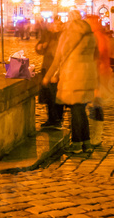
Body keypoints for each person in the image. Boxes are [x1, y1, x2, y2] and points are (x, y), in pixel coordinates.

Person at [44, 11, 98, 154]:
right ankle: (86, 143)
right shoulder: (90, 34)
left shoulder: (68, 34)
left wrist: (48, 76)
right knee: (81, 110)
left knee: (76, 111)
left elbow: (59, 57)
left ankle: (76, 145)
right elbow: (96, 55)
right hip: (87, 75)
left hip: (73, 76)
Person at [35, 18, 64, 130]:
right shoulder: (47, 34)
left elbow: (61, 54)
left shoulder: (62, 36)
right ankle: (51, 118)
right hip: (46, 67)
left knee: (56, 95)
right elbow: (39, 49)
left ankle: (57, 119)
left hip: (56, 69)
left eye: (58, 24)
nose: (55, 26)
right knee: (48, 96)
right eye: (54, 24)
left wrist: (57, 73)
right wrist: (40, 47)